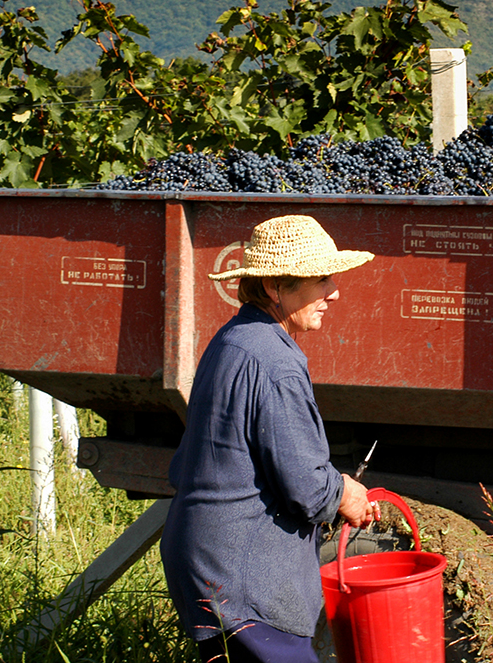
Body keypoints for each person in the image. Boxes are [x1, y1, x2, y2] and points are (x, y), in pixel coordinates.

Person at [160, 214, 380, 663]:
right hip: (244, 577)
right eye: (321, 280)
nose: (334, 293)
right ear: (276, 287)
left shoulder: (234, 339)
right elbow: (306, 486)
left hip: (210, 565)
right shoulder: (274, 362)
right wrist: (345, 492)